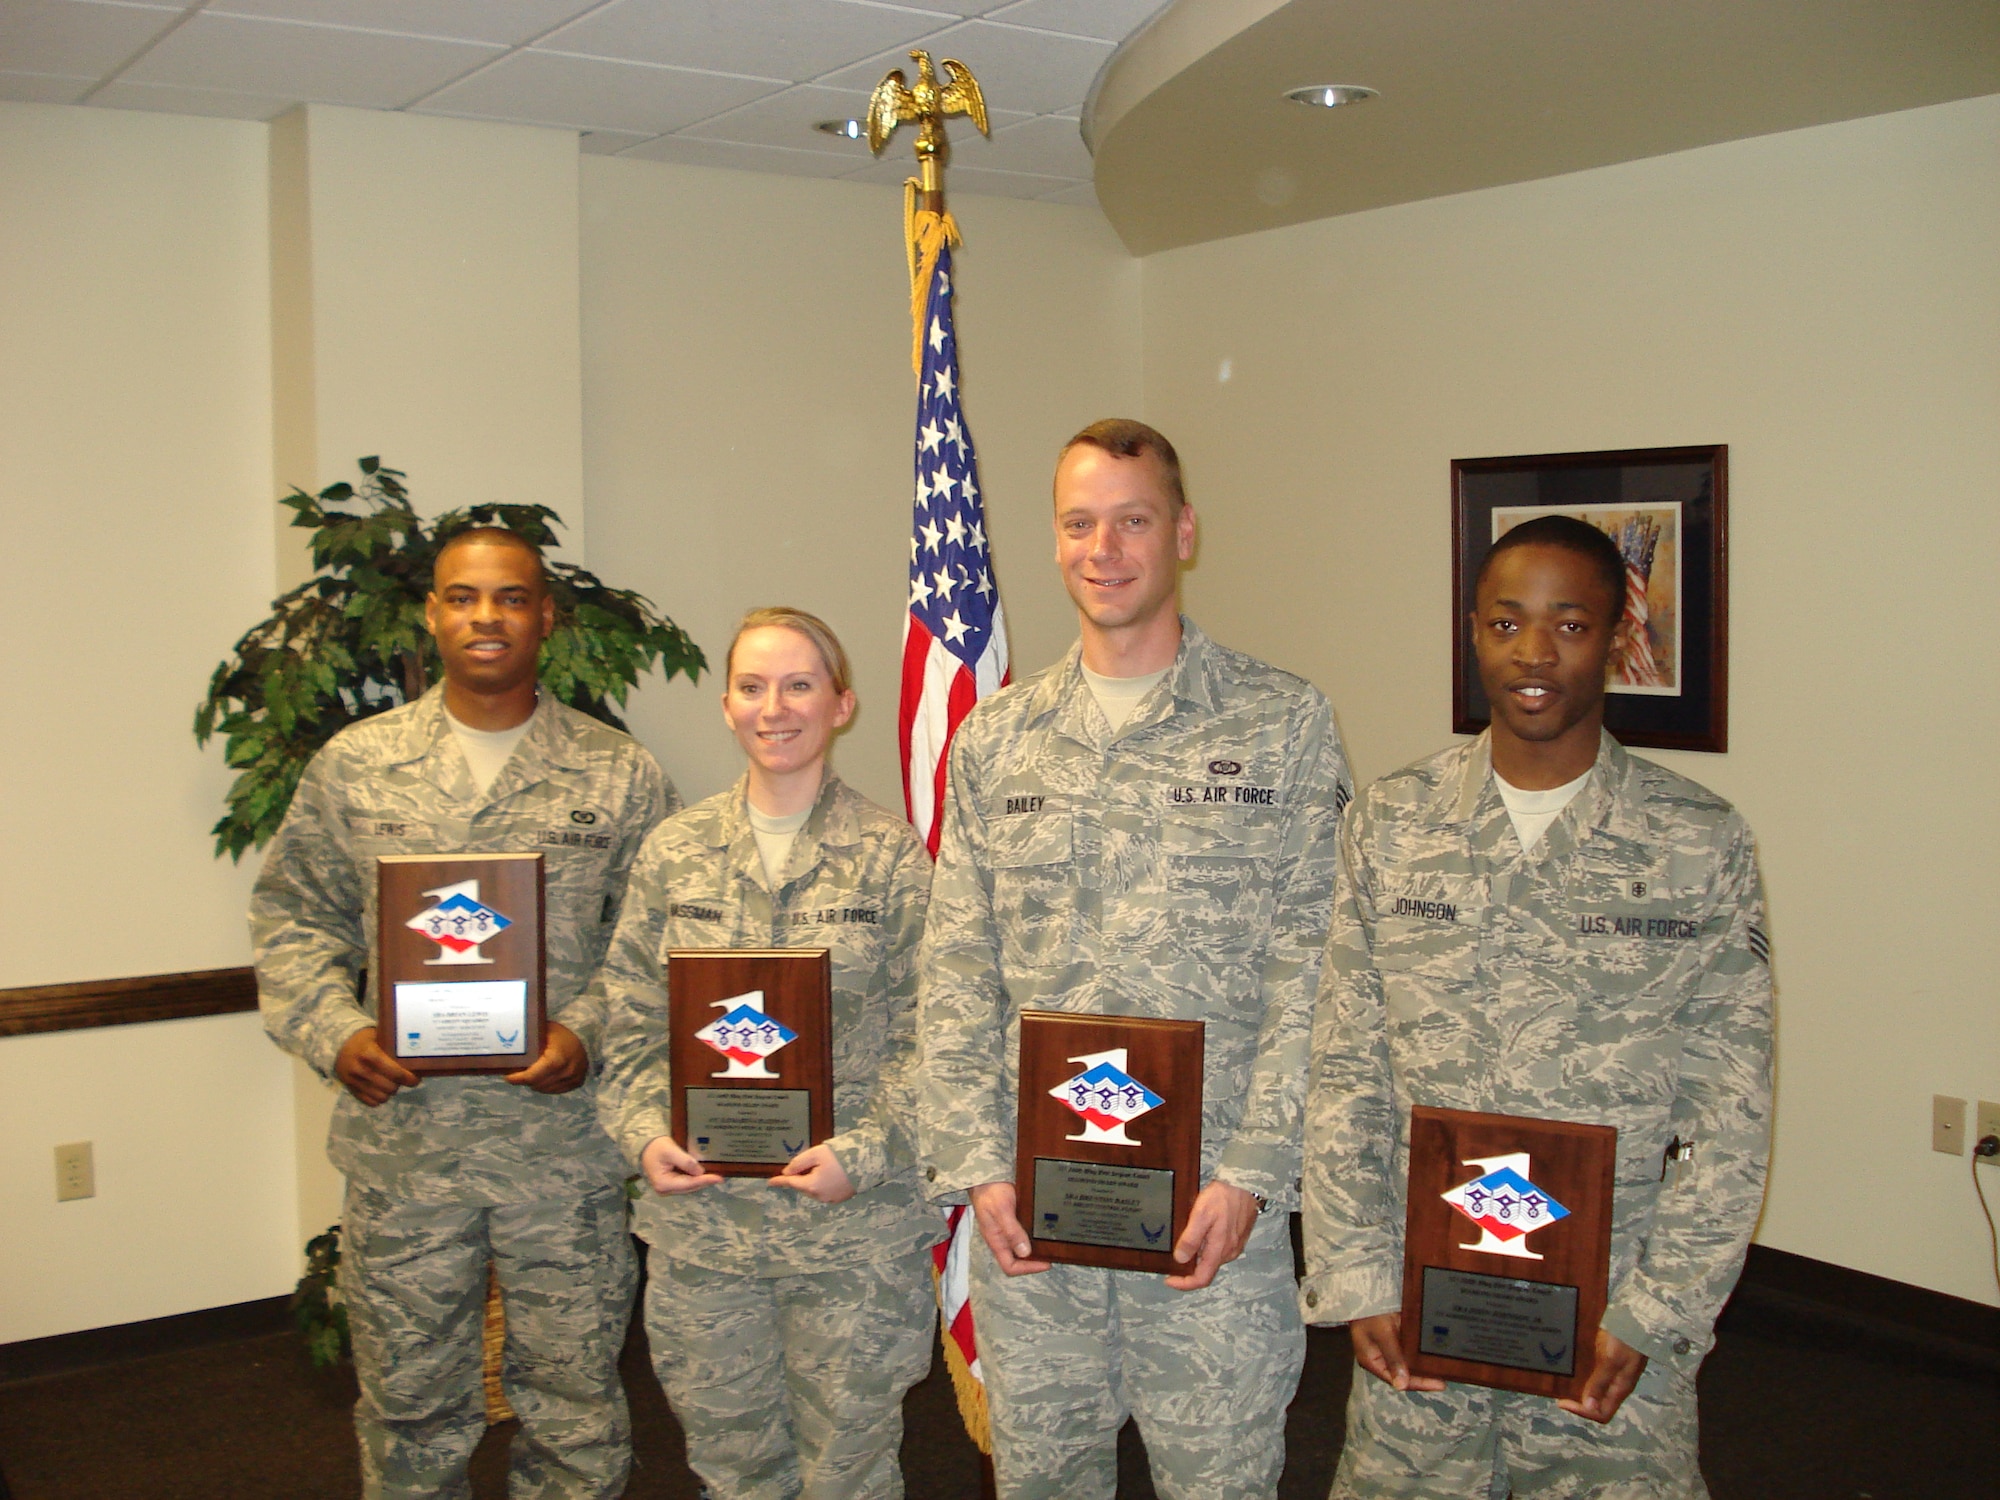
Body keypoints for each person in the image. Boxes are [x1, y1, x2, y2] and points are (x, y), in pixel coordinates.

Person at [916, 420, 1354, 1499]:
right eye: (1077, 523)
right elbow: (956, 973)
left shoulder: (1283, 725)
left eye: (1130, 520)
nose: (1100, 548)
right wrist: (977, 1164)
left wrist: (1254, 1175)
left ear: (1183, 532)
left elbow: (1319, 971)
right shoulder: (996, 741)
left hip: (1213, 1220)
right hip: (1035, 1215)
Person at [1300, 514, 1774, 1498]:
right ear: (1472, 630)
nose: (1532, 653)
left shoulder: (1696, 843)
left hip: (1608, 1324)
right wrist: (1354, 1280)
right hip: (1417, 1310)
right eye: (1505, 623)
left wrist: (1657, 1313)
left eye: (1568, 624)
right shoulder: (1388, 824)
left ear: (1614, 635)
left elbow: (1729, 1113)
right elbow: (1343, 1068)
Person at [252, 527, 676, 1500]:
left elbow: (661, 942)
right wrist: (334, 1032)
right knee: (409, 1408)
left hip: (558, 1151)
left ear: (545, 616)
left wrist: (591, 1030)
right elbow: (289, 918)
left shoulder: (617, 773)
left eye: (511, 597)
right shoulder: (357, 767)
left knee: (572, 1404)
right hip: (405, 1150)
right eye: (462, 597)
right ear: (433, 614)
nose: (486, 616)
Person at [594, 607, 941, 1500]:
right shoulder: (674, 856)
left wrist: (861, 1154)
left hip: (850, 1235)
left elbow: (937, 1037)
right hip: (706, 1235)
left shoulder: (890, 860)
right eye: (752, 686)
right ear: (726, 706)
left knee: (850, 1474)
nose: (773, 707)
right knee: (733, 1471)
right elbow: (627, 1025)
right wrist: (641, 1135)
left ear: (842, 704)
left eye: (799, 685)